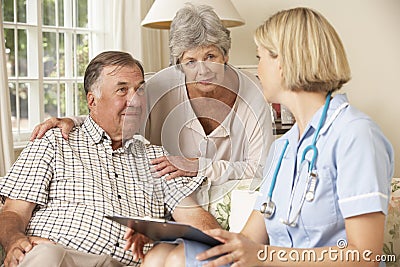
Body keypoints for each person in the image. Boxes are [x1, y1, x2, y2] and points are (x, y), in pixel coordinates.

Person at [146, 7, 395, 267]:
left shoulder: (355, 135)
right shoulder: (283, 148)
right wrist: (165, 239)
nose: (257, 70)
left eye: (260, 57)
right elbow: (246, 241)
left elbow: (366, 256)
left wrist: (265, 256)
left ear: (285, 63)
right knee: (162, 257)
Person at [30, 4, 274, 211]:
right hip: (168, 201)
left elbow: (262, 169)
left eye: (211, 57)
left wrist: (199, 165)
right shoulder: (160, 85)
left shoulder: (253, 96)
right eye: (190, 61)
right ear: (178, 64)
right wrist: (75, 121)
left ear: (225, 56)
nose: (203, 70)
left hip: (230, 204)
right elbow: (120, 115)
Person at [0, 51, 220, 267]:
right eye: (122, 90)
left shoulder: (158, 158)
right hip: (60, 256)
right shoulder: (54, 141)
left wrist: (216, 244)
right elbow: (14, 211)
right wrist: (14, 241)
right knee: (45, 255)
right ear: (92, 100)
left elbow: (196, 219)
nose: (134, 100)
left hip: (130, 263)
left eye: (140, 90)